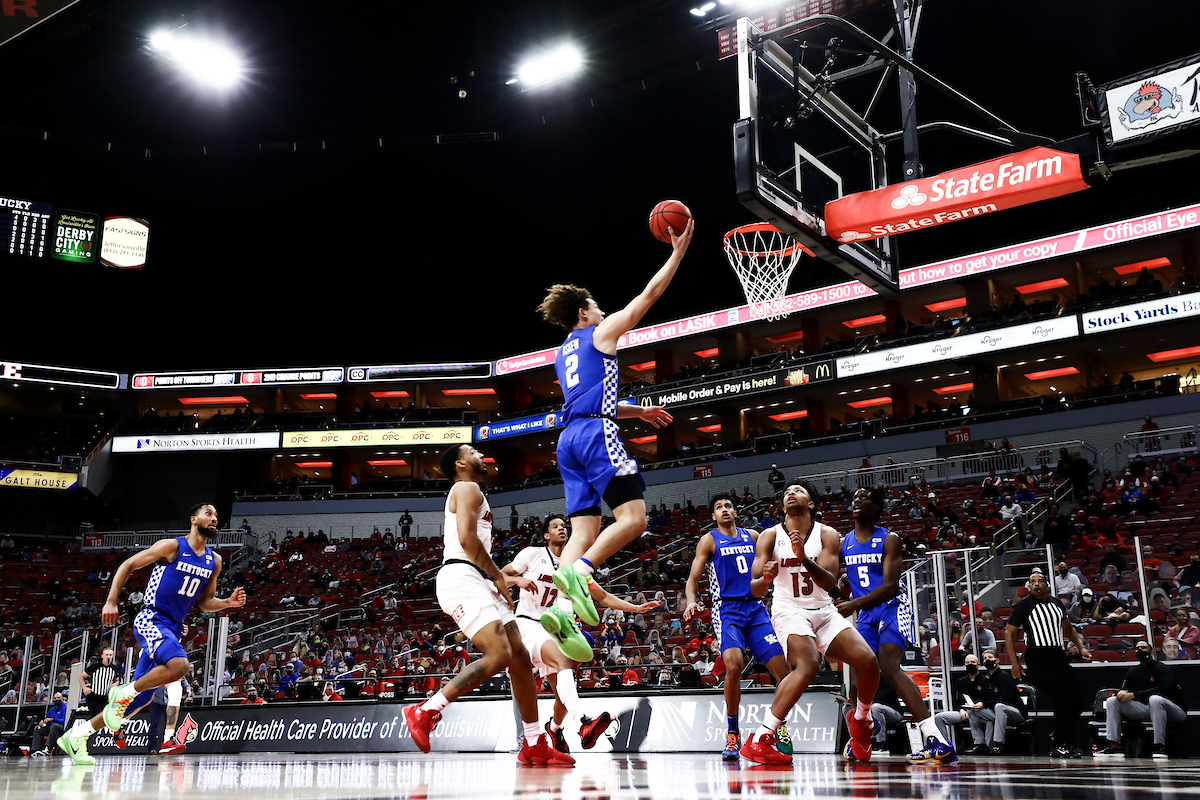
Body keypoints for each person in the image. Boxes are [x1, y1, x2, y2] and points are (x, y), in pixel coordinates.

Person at [535, 219, 694, 632]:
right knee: (635, 519)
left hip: (569, 440)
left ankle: (560, 609)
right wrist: (676, 254)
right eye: (598, 307)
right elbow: (648, 295)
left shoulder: (561, 353)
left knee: (582, 531)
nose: (605, 311)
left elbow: (588, 400)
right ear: (584, 313)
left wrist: (636, 412)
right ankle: (581, 572)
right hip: (593, 436)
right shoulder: (599, 332)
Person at [402, 445, 571, 767]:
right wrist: (499, 577)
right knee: (501, 653)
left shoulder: (475, 491)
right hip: (461, 575)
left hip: (478, 578)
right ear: (461, 463)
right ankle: (425, 710)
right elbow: (466, 539)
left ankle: (534, 742)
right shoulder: (466, 486)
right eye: (472, 451)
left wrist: (493, 578)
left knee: (520, 658)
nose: (480, 453)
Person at [57, 503, 246, 766]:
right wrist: (111, 601)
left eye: (216, 515)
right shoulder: (172, 546)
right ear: (193, 519)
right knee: (179, 666)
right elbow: (129, 564)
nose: (214, 518)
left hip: (172, 628)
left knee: (144, 696)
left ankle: (78, 735)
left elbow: (205, 602)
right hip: (151, 618)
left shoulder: (214, 560)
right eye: (208, 513)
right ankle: (122, 692)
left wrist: (228, 603)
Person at [748, 483, 881, 764]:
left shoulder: (828, 534)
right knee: (808, 664)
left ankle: (860, 719)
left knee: (868, 661)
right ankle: (761, 735)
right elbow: (756, 590)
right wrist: (767, 579)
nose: (791, 493)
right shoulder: (769, 536)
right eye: (787, 492)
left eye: (798, 490)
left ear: (811, 504)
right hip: (789, 609)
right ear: (783, 506)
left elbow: (831, 583)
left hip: (823, 609)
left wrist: (804, 559)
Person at [502, 516, 656, 755]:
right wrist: (516, 579)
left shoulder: (576, 564)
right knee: (562, 665)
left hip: (556, 629)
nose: (562, 529)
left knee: (563, 694)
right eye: (555, 526)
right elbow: (500, 575)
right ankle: (582, 723)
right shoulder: (532, 554)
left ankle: (554, 729)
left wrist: (635, 608)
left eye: (564, 526)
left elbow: (602, 596)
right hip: (528, 623)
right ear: (546, 535)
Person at [837, 487, 956, 764]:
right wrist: (844, 579)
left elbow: (890, 586)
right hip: (866, 612)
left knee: (889, 664)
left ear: (877, 507)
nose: (856, 500)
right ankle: (863, 727)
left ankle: (935, 737)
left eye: (863, 497)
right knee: (859, 670)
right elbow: (857, 573)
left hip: (893, 605)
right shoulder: (845, 542)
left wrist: (853, 603)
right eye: (854, 498)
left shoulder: (889, 538)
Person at [683, 493, 797, 761]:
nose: (724, 510)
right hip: (728, 610)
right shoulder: (709, 540)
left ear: (736, 512)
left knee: (784, 672)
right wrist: (691, 600)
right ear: (713, 516)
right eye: (719, 507)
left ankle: (778, 726)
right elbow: (693, 578)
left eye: (728, 506)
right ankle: (732, 733)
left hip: (755, 609)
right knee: (733, 664)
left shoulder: (754, 537)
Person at [1005, 571, 1092, 758]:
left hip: (1057, 654)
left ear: (1047, 585)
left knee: (1080, 697)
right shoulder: (1023, 606)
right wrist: (1015, 663)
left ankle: (1059, 733)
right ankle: (1061, 745)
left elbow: (1067, 628)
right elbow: (1009, 633)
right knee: (1063, 698)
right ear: (1029, 586)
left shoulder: (1056, 603)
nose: (1036, 584)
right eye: (1032, 581)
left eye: (1040, 581)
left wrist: (1081, 647)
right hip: (1037, 656)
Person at [1094, 640, 1186, 759]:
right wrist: (1122, 692)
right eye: (1137, 648)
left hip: (1174, 710)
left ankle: (1159, 746)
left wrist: (1134, 695)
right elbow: (1126, 689)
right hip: (1148, 708)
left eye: (1143, 647)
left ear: (1152, 652)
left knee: (1155, 699)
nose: (1140, 650)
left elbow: (1163, 690)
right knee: (1112, 701)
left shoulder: (1163, 669)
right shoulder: (1133, 671)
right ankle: (1114, 745)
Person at [931, 654, 992, 754]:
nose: (970, 665)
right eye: (967, 663)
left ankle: (982, 745)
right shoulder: (961, 681)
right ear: (964, 665)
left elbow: (989, 700)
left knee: (981, 716)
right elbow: (957, 701)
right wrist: (961, 710)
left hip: (981, 712)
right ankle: (944, 747)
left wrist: (980, 705)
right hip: (965, 712)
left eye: (972, 662)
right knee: (939, 717)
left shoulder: (986, 680)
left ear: (978, 665)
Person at [981, 651, 1024, 754]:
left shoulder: (1005, 677)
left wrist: (986, 704)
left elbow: (1006, 699)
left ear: (997, 661)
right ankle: (980, 745)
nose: (987, 660)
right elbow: (984, 699)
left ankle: (998, 743)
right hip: (996, 713)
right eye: (985, 658)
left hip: (1015, 712)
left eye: (990, 657)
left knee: (999, 706)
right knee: (972, 711)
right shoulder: (985, 679)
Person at [80, 648, 119, 719]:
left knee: (103, 717)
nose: (108, 657)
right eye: (106, 655)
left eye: (110, 655)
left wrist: (115, 684)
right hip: (93, 696)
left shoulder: (114, 668)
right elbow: (81, 677)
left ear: (112, 656)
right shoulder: (94, 667)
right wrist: (84, 688)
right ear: (102, 656)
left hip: (105, 696)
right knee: (96, 716)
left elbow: (117, 680)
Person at [29, 692, 67, 756]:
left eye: (58, 698)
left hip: (61, 728)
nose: (57, 699)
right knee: (37, 729)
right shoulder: (52, 709)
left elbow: (64, 721)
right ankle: (36, 749)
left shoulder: (65, 707)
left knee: (54, 726)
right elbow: (47, 719)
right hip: (51, 727)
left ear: (62, 698)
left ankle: (48, 748)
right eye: (55, 698)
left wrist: (53, 719)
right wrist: (42, 722)